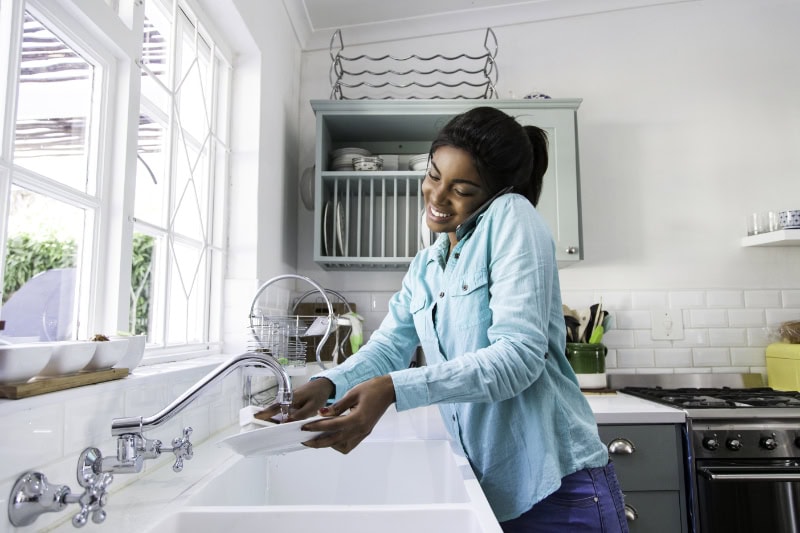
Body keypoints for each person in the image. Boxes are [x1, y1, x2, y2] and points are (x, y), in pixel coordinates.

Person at [259, 106, 628, 532]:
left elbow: (519, 357)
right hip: (496, 490)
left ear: (494, 193)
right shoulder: (427, 263)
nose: (437, 196)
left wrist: (394, 389)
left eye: (462, 189)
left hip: (559, 489)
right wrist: (328, 384)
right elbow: (389, 348)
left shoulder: (513, 216)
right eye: (433, 175)